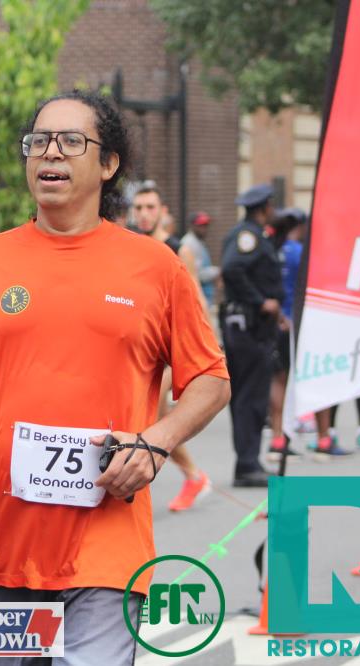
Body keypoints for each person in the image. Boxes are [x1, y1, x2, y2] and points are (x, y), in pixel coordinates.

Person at [0, 90, 230, 665]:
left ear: (108, 163)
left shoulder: (155, 268)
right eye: (39, 141)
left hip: (109, 545)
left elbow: (211, 379)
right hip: (0, 546)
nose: (51, 152)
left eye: (71, 141)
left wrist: (156, 443)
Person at [130, 184, 212, 512]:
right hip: (141, 344)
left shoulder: (179, 249)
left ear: (163, 212)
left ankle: (187, 476)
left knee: (152, 414)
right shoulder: (131, 246)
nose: (144, 214)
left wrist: (209, 344)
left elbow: (196, 297)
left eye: (150, 207)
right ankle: (193, 476)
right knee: (151, 415)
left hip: (171, 347)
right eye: (139, 208)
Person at [220, 183, 284, 486]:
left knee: (248, 396)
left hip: (250, 328)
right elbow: (232, 269)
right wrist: (260, 302)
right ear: (265, 207)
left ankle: (248, 462)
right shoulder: (249, 236)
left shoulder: (251, 235)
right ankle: (247, 465)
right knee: (251, 397)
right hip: (250, 329)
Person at [266, 207, 305, 461]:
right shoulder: (298, 252)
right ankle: (282, 437)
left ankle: (277, 435)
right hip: (291, 322)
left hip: (272, 322)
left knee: (276, 378)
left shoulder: (270, 248)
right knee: (286, 380)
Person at [180, 212, 220, 304]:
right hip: (197, 298)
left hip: (205, 296)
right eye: (201, 225)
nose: (204, 229)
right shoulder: (189, 244)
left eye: (206, 225)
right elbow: (195, 273)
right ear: (192, 226)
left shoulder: (198, 242)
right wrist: (216, 272)